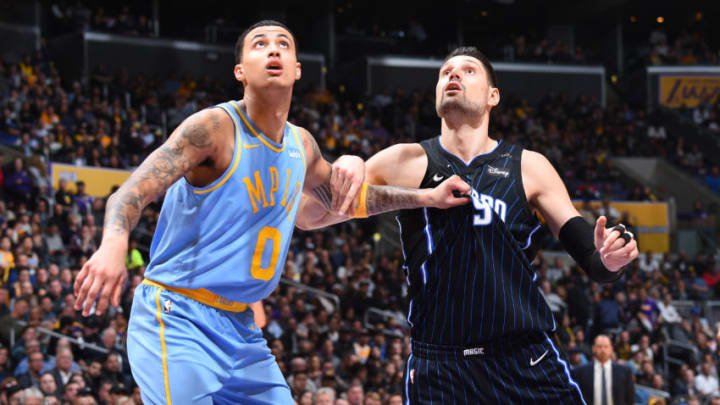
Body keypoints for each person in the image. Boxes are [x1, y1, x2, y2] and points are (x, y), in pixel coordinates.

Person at [73, 20, 469, 405]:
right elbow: (130, 192)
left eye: (284, 43)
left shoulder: (302, 144)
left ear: (298, 69)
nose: (273, 49)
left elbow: (347, 200)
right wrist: (113, 245)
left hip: (241, 328)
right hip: (177, 316)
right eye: (259, 44)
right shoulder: (213, 128)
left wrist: (427, 198)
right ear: (240, 71)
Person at [303, 46, 639, 403]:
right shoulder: (406, 160)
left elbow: (590, 252)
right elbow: (312, 216)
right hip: (439, 367)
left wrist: (610, 258)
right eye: (445, 71)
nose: (453, 75)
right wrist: (349, 163)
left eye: (468, 70)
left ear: (493, 95)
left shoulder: (528, 166)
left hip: (522, 359)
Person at [572, 335, 634, 405]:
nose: (603, 350)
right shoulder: (580, 371)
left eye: (606, 346)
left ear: (611, 349)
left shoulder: (625, 371)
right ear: (593, 349)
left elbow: (630, 399)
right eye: (599, 346)